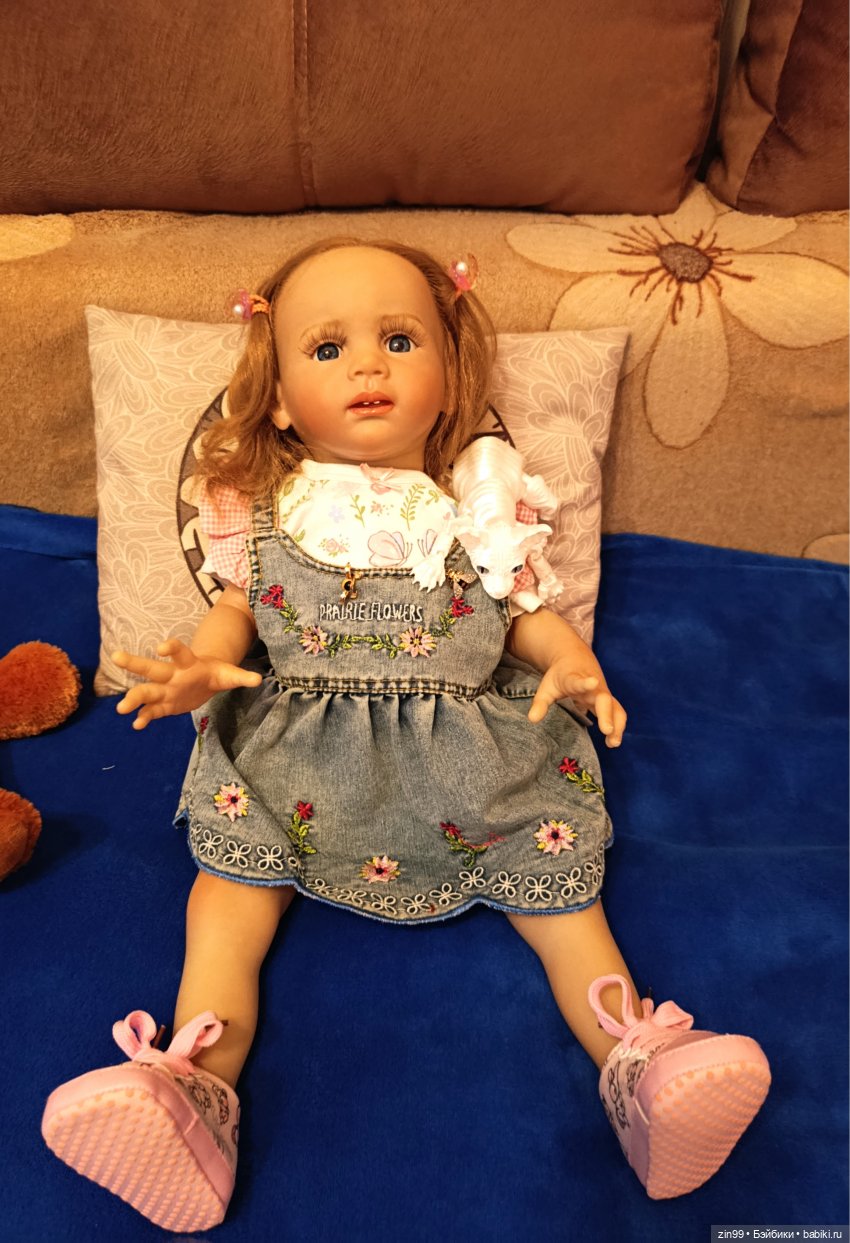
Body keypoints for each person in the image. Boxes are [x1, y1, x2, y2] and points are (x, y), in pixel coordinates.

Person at [41, 239, 771, 1232]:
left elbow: (522, 615)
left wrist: (571, 661)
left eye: (397, 339)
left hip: (473, 762)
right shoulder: (259, 512)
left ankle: (639, 1064)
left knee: (561, 897)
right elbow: (237, 615)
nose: (367, 365)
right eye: (327, 348)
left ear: (448, 377)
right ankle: (194, 1086)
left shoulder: (481, 508)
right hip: (295, 762)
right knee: (226, 905)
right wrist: (202, 668)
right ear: (280, 399)